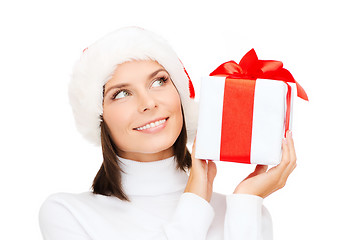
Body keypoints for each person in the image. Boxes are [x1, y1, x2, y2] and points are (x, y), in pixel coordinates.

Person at [38, 26, 297, 240]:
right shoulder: (68, 214)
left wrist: (246, 203)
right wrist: (195, 201)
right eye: (121, 93)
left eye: (159, 81)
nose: (148, 103)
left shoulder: (246, 210)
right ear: (99, 118)